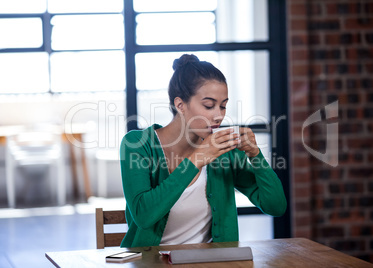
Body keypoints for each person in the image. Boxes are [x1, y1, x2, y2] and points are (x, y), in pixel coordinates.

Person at [119, 54, 286, 247]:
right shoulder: (137, 144)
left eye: (223, 106)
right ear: (180, 104)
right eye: (209, 105)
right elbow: (143, 216)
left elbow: (275, 206)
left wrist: (255, 155)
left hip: (211, 263)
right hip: (151, 262)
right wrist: (195, 160)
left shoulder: (224, 151)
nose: (219, 116)